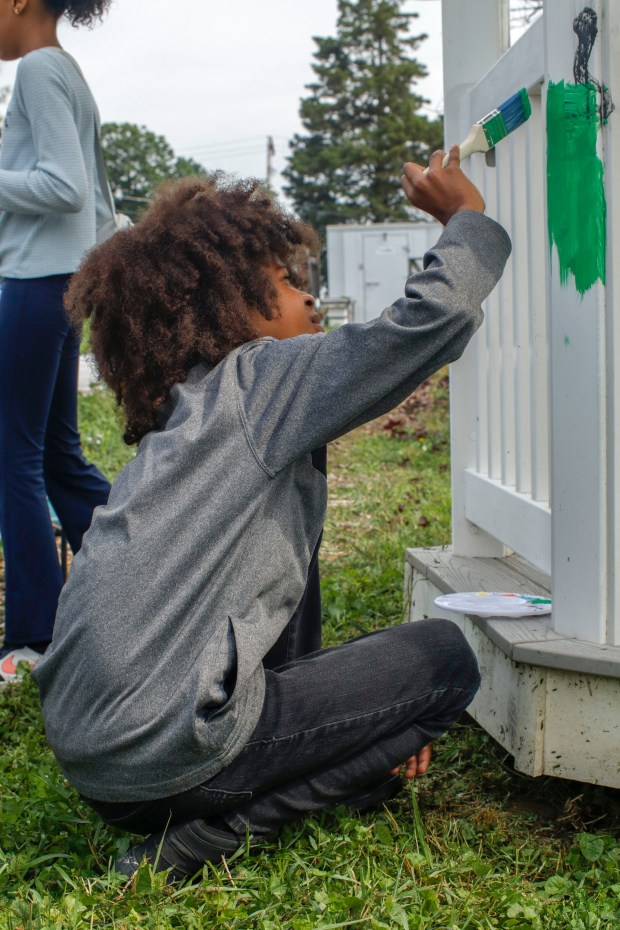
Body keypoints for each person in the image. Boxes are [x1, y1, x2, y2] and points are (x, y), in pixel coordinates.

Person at [33, 147, 511, 882]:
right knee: (444, 658)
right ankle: (204, 841)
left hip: (98, 767)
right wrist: (465, 220)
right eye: (287, 283)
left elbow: (271, 610)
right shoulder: (256, 382)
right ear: (225, 307)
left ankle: (297, 784)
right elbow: (427, 323)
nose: (309, 299)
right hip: (173, 753)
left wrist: (367, 728)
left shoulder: (188, 422)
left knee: (371, 747)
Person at [0, 0, 113, 674]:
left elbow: (66, 189)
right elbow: (97, 201)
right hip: (64, 285)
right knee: (55, 455)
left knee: (12, 454)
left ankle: (33, 639)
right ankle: (142, 575)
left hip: (35, 285)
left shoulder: (40, 71)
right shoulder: (68, 71)